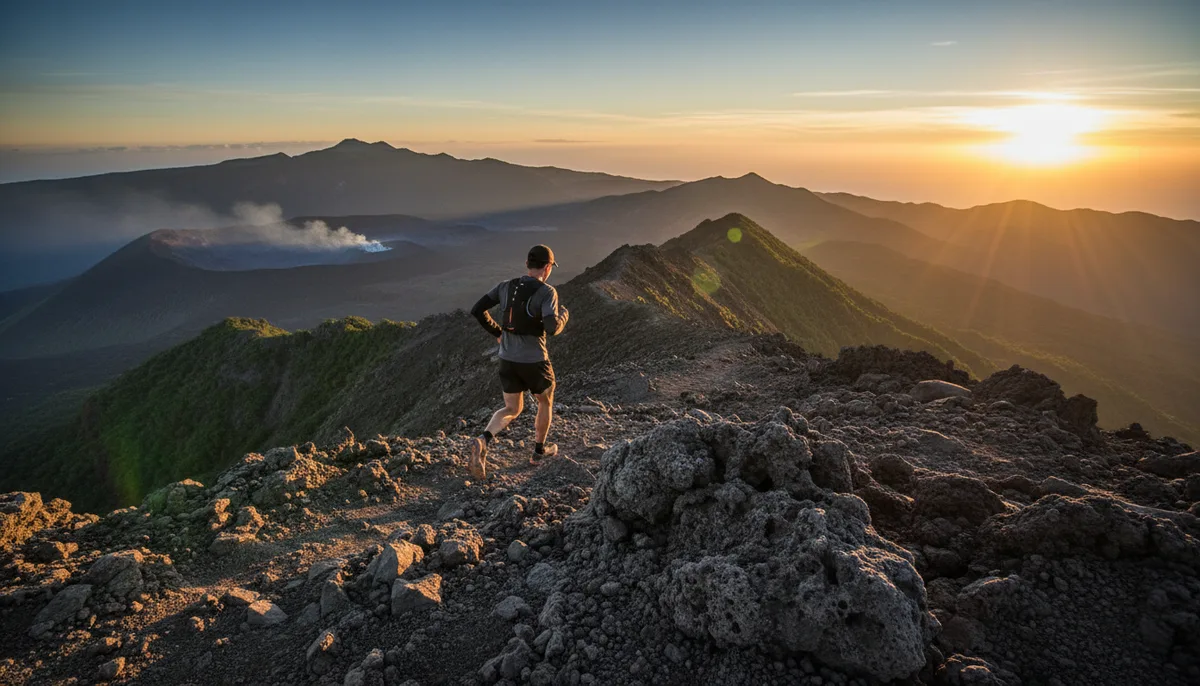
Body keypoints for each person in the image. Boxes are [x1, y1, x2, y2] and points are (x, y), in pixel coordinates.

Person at [467, 244, 569, 479]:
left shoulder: (505, 286)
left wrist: (498, 333)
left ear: (527, 265)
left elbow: (477, 309)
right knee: (545, 401)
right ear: (546, 267)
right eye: (550, 267)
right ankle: (538, 452)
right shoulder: (547, 292)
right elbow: (552, 328)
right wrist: (564, 317)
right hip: (534, 360)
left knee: (512, 408)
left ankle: (483, 440)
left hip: (506, 358)